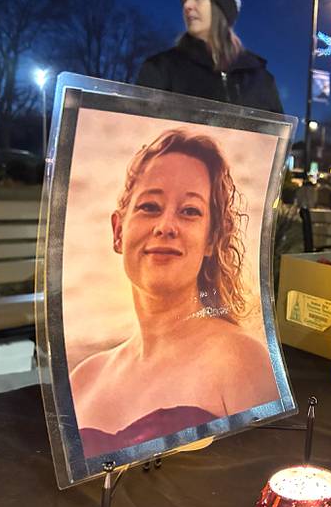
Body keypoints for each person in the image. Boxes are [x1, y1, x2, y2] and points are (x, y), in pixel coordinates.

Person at [71, 129, 278, 457]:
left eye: (190, 211)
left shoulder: (245, 363)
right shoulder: (82, 380)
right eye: (150, 206)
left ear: (211, 239)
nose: (166, 225)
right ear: (117, 231)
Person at [136, 0, 282, 113]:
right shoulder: (160, 68)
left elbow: (278, 135)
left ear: (220, 8)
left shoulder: (261, 78)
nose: (187, 5)